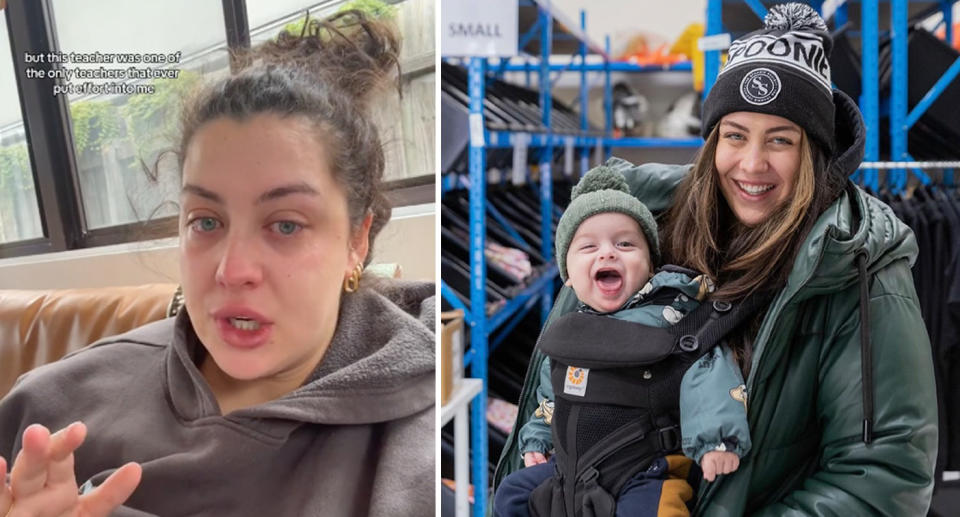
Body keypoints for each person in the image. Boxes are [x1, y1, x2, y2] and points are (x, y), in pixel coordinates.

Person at [494, 3, 938, 516]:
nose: (752, 164)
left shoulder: (858, 266)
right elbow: (562, 376)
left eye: (781, 140)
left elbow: (884, 479)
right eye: (735, 135)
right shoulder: (633, 232)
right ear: (712, 142)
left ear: (813, 152)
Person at [0, 10, 434, 517]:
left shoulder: (420, 443)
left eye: (286, 225)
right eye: (206, 222)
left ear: (357, 241)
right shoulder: (49, 408)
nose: (233, 270)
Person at [494, 166, 751, 517]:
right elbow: (551, 397)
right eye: (588, 247)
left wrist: (716, 439)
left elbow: (707, 372)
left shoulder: (670, 316)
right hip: (572, 469)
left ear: (651, 265)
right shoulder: (572, 333)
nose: (607, 253)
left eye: (625, 243)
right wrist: (537, 438)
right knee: (513, 492)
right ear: (568, 278)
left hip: (647, 471)